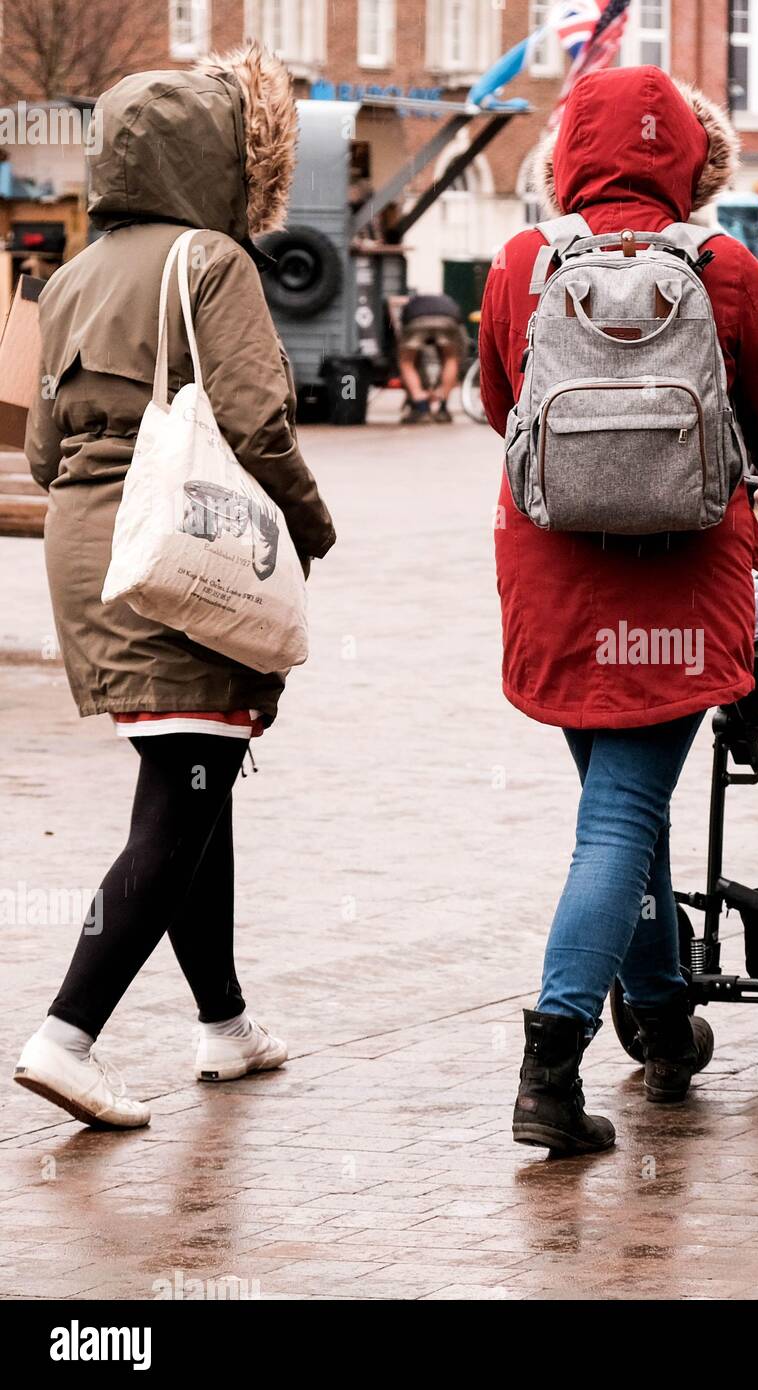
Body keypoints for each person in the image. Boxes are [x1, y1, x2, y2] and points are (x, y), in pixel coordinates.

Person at [478, 66, 758, 1157]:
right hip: (678, 591)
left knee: (624, 803)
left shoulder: (521, 265)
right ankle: (550, 1061)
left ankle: (664, 1014)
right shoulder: (723, 269)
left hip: (555, 579)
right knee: (623, 815)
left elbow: (501, 404)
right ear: (683, 156)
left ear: (568, 150)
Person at [13, 42, 336, 1130]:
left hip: (90, 553)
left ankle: (225, 1023)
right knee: (178, 798)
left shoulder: (69, 273)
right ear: (215, 161)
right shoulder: (211, 261)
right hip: (184, 554)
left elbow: (45, 454)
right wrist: (311, 522)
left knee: (195, 772)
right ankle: (66, 1035)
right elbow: (256, 421)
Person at [398, 291, 467, 424]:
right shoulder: (447, 301)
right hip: (448, 320)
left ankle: (421, 407)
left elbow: (403, 324)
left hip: (416, 319)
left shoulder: (414, 303)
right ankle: (442, 408)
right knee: (451, 358)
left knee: (407, 362)